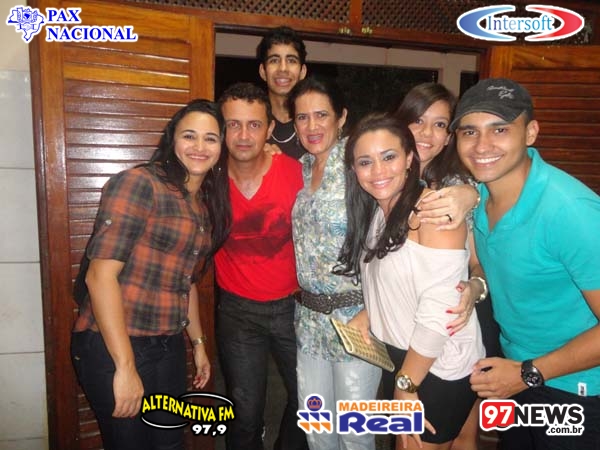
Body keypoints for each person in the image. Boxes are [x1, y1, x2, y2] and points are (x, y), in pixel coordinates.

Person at [70, 99, 231, 450]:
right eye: (189, 136)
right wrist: (125, 367)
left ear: (221, 147)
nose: (200, 146)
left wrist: (199, 346)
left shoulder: (201, 205)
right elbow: (99, 277)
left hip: (167, 344)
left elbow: (185, 281)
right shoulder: (140, 184)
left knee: (171, 442)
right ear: (172, 139)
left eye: (211, 138)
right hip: (114, 344)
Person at [451, 78, 600, 450]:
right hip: (516, 373)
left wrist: (528, 373)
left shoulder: (570, 211)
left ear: (530, 133)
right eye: (469, 131)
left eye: (500, 129)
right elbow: (490, 265)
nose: (482, 145)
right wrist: (475, 283)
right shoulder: (480, 197)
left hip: (576, 390)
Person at [337, 113, 485, 450]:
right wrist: (370, 313)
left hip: (436, 365)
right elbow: (400, 278)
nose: (378, 170)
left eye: (388, 156)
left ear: (408, 159)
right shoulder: (380, 210)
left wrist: (406, 383)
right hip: (408, 356)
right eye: (365, 162)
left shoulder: (432, 212)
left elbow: (440, 310)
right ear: (354, 169)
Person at [396, 82, 500, 450]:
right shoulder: (388, 179)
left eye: (439, 124)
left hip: (454, 324)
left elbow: (477, 264)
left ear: (448, 137)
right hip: (417, 325)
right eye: (418, 121)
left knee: (422, 437)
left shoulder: (455, 187)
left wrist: (476, 287)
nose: (427, 133)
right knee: (461, 433)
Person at [288, 76, 382, 450]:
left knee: (355, 432)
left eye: (321, 115)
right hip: (309, 323)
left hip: (356, 319)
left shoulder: (361, 166)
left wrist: (465, 194)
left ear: (341, 117)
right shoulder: (300, 168)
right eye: (302, 117)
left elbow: (401, 221)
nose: (312, 126)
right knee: (316, 428)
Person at [215, 82, 308, 450]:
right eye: (233, 124)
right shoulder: (208, 178)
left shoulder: (297, 173)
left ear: (270, 129)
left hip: (294, 306)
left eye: (254, 125)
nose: (243, 135)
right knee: (245, 411)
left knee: (307, 402)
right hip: (238, 311)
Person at [257, 26, 307, 159]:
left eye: (291, 60)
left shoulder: (313, 126)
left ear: (302, 71)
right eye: (274, 60)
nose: (283, 68)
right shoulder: (251, 126)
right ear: (263, 71)